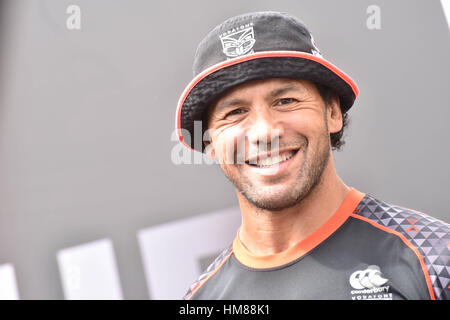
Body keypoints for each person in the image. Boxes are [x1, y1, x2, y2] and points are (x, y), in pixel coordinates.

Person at [174, 11, 449, 300]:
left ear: (332, 113)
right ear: (210, 143)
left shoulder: (436, 261)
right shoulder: (200, 300)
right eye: (235, 112)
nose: (265, 132)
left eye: (286, 101)